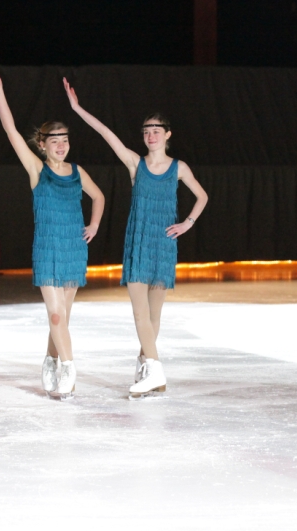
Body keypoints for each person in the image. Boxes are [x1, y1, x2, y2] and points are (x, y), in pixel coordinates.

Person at [64, 79, 208, 398]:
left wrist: (187, 224)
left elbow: (202, 196)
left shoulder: (179, 168)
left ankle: (147, 366)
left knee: (154, 316)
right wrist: (77, 109)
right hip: (139, 244)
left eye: (156, 130)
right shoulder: (135, 163)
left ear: (167, 135)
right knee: (140, 313)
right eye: (146, 130)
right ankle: (154, 371)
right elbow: (106, 134)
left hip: (164, 245)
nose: (150, 135)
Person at [0, 65, 105, 399]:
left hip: (74, 248)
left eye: (65, 140)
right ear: (42, 144)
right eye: (55, 140)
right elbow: (10, 131)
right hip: (47, 248)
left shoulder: (77, 171)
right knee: (55, 314)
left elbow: (98, 197)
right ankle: (69, 368)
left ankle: (51, 358)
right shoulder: (37, 170)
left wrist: (94, 225)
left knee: (62, 316)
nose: (61, 145)